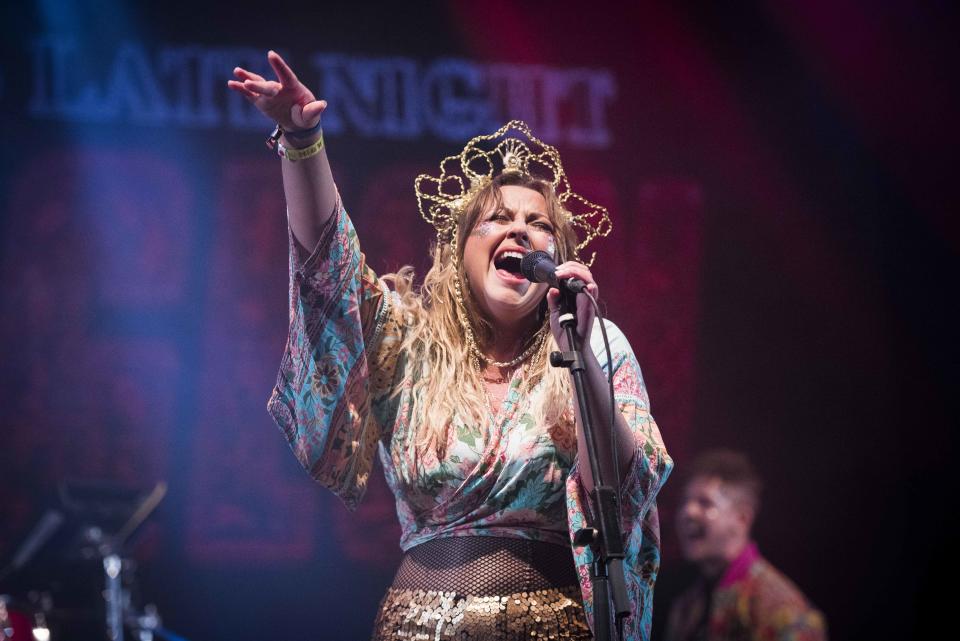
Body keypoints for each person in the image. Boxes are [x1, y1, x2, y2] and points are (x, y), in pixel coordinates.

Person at [228, 50, 672, 641]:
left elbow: (621, 488)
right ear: (458, 252)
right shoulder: (406, 346)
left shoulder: (597, 344)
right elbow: (325, 269)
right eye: (497, 219)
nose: (520, 229)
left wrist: (581, 352)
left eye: (539, 224)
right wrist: (302, 139)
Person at [666, 449, 827, 641]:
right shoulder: (687, 606)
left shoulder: (785, 613)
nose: (687, 512)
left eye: (705, 503)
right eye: (685, 501)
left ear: (742, 518)